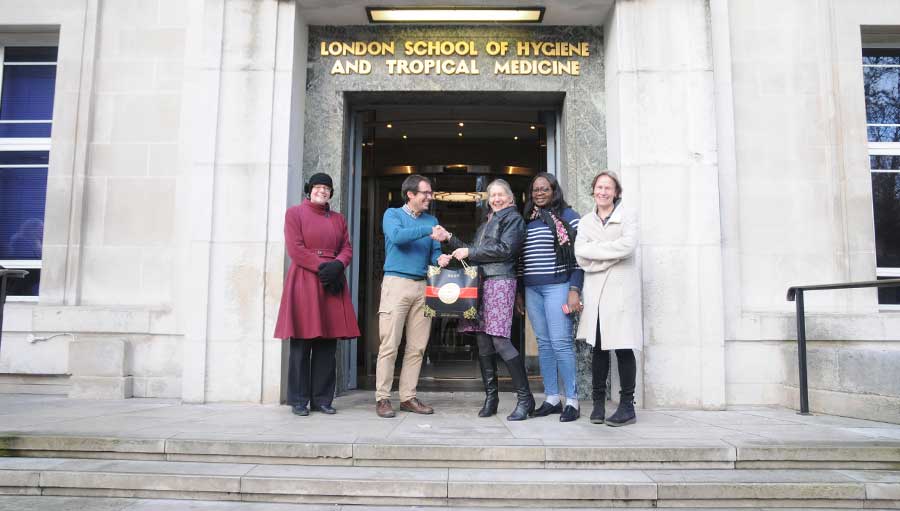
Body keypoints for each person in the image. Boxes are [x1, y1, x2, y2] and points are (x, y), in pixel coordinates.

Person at [433, 179, 533, 421]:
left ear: (510, 198)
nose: (496, 199)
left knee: (499, 340)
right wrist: (450, 242)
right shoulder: (487, 222)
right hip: (481, 283)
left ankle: (525, 398)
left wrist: (470, 252)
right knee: (484, 341)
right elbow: (473, 254)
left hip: (500, 281)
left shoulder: (514, 219)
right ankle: (491, 398)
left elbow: (505, 249)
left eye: (501, 194)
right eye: (493, 195)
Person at [274, 172, 360, 417]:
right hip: (304, 279)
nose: (322, 191)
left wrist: (338, 265)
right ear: (309, 190)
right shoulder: (294, 214)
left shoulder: (338, 219)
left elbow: (347, 248)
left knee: (327, 343)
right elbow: (295, 249)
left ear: (331, 192)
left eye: (327, 188)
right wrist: (323, 267)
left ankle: (322, 399)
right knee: (302, 342)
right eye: (318, 187)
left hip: (332, 281)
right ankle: (299, 400)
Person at [375, 175, 450, 418]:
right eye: (425, 193)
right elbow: (398, 237)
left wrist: (440, 259)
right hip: (396, 283)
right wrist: (429, 230)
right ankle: (383, 398)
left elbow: (434, 254)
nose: (430, 197)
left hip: (422, 286)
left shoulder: (432, 219)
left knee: (417, 347)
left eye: (430, 193)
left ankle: (407, 397)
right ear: (410, 194)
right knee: (390, 344)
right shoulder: (392, 215)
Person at [574, 171, 643, 426]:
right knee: (599, 349)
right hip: (596, 294)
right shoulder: (585, 222)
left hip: (621, 292)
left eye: (608, 188)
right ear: (593, 190)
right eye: (599, 187)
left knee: (624, 348)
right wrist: (610, 256)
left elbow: (628, 246)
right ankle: (598, 405)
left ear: (616, 192)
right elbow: (581, 255)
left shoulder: (628, 216)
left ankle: (627, 406)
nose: (603, 192)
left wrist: (597, 254)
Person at [518, 172, 584, 422]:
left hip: (558, 287)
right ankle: (552, 398)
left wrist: (574, 290)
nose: (539, 193)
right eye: (535, 189)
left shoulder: (569, 217)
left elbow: (579, 259)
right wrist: (520, 292)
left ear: (554, 190)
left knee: (560, 342)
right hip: (532, 289)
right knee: (544, 343)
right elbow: (521, 259)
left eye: (544, 189)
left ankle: (573, 401)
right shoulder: (528, 219)